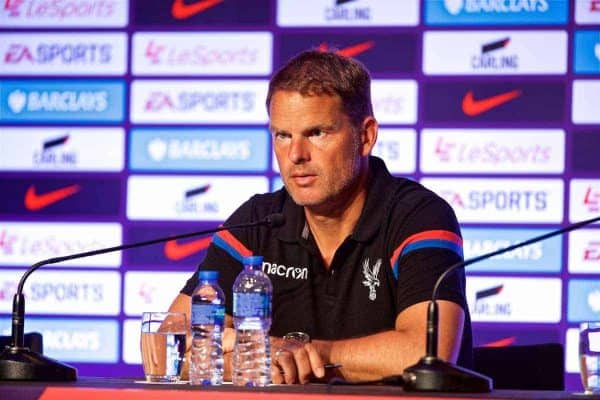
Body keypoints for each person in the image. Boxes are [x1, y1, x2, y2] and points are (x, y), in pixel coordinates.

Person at [167, 50, 472, 384]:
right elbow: (172, 345)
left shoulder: (418, 216)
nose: (296, 155)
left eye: (317, 133)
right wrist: (257, 359)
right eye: (283, 135)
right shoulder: (258, 219)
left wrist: (300, 353)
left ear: (365, 136)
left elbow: (428, 353)